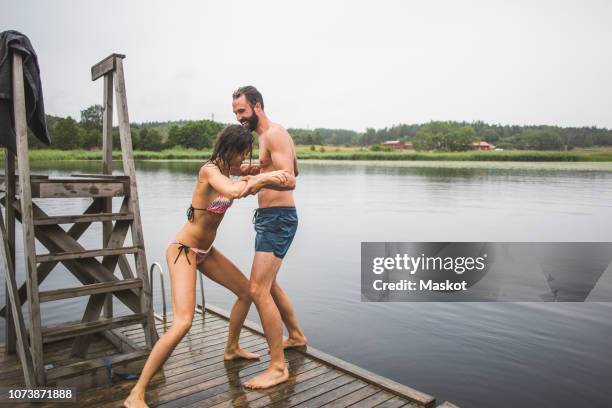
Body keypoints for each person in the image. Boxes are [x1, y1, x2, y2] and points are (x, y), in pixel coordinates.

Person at [124, 124, 293, 408]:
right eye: (242, 154)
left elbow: (247, 175)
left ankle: (231, 348)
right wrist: (260, 179)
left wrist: (265, 172)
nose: (244, 160)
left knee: (246, 292)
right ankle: (136, 393)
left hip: (206, 251)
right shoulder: (210, 172)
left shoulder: (229, 170)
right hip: (184, 251)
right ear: (230, 150)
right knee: (183, 322)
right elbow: (233, 191)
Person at [231, 86, 308, 389]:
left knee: (257, 289)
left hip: (278, 220)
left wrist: (257, 178)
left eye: (242, 111)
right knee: (269, 284)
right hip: (267, 219)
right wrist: (253, 169)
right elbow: (290, 168)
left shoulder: (274, 133)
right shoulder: (265, 137)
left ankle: (278, 368)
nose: (239, 118)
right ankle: (297, 336)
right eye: (235, 112)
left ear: (257, 106)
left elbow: (289, 179)